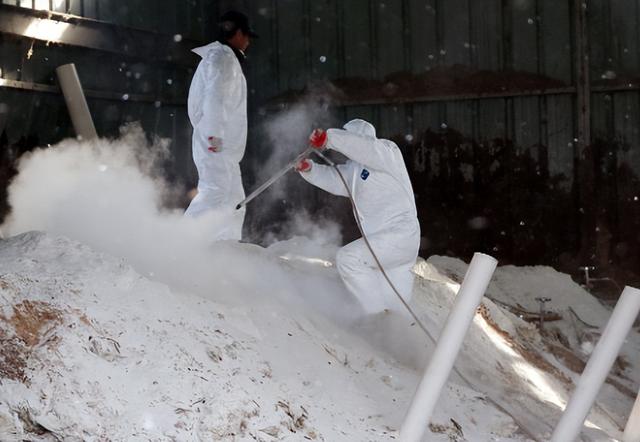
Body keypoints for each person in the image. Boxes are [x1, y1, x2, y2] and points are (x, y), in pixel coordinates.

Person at [296, 119, 420, 315]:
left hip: (399, 234)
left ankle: (376, 317)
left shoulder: (387, 152)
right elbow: (335, 179)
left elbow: (363, 147)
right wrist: (309, 169)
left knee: (349, 259)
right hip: (386, 244)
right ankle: (398, 338)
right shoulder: (354, 171)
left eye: (349, 138)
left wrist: (330, 138)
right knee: (398, 308)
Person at [185, 11, 258, 241]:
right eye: (246, 36)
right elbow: (215, 100)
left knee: (233, 202)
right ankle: (177, 244)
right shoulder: (223, 59)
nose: (248, 42)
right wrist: (214, 136)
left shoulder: (219, 59)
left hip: (220, 147)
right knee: (214, 194)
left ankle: (226, 252)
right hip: (217, 144)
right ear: (237, 33)